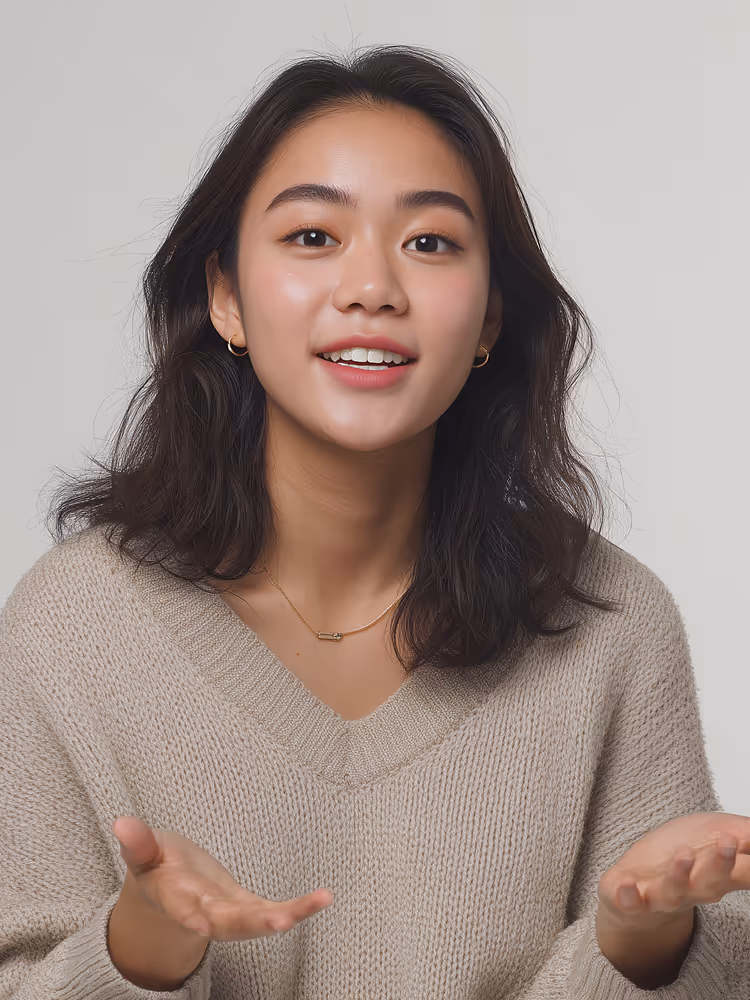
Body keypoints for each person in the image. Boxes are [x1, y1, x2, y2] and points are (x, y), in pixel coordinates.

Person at [1, 43, 748, 999]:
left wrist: (643, 950)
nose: (372, 289)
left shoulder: (608, 625)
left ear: (487, 322)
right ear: (224, 295)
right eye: (313, 237)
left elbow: (706, 962)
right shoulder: (73, 625)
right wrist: (139, 948)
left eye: (430, 243)